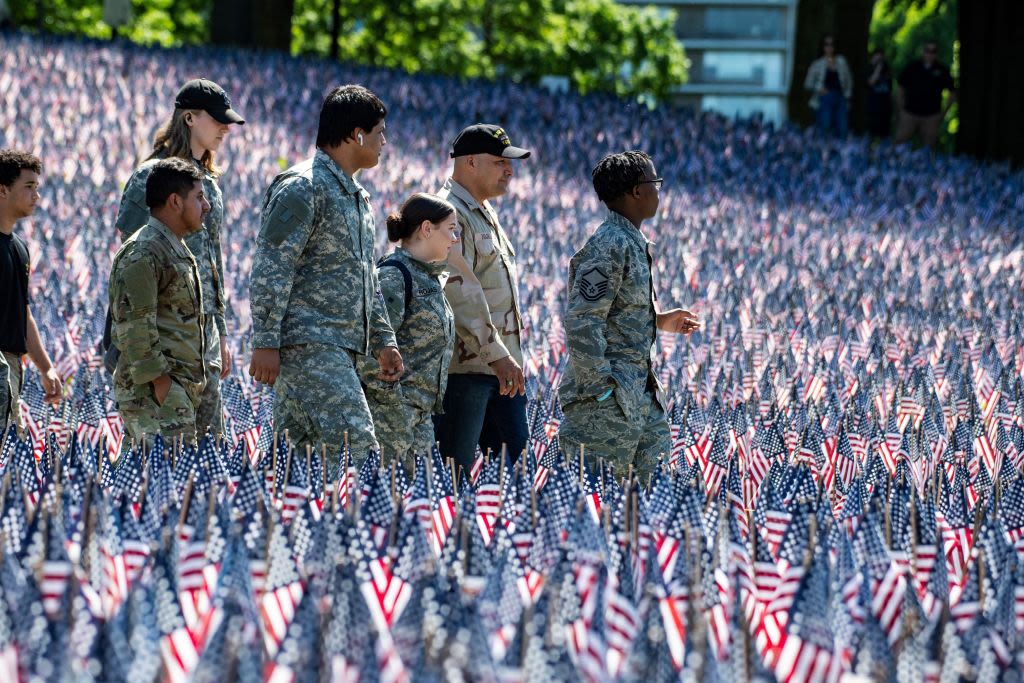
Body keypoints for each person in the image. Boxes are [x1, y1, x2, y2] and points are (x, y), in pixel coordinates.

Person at [248, 84, 402, 466]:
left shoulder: (355, 196)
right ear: (357, 134)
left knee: (292, 463)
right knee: (359, 453)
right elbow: (272, 265)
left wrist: (384, 339)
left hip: (341, 347)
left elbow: (367, 278)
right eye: (380, 132)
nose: (385, 141)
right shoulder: (304, 187)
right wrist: (266, 341)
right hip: (310, 346)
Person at [113, 78, 244, 439]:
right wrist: (150, 363)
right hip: (163, 339)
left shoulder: (209, 184)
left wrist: (219, 332)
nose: (225, 128)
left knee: (206, 451)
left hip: (201, 340)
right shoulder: (151, 178)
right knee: (161, 454)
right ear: (189, 118)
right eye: (217, 120)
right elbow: (133, 265)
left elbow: (213, 263)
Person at [558, 151, 699, 483]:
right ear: (637, 191)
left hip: (640, 395)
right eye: (655, 183)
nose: (659, 192)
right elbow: (582, 320)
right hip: (606, 405)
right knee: (596, 503)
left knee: (654, 501)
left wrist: (661, 320)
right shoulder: (608, 245)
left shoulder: (631, 242)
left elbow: (617, 313)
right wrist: (600, 390)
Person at [432, 124, 531, 476]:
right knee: (452, 478)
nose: (509, 170)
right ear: (470, 162)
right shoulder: (448, 213)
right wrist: (498, 355)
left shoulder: (483, 211)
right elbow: (460, 293)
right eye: (500, 162)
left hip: (499, 369)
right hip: (467, 371)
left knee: (514, 479)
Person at [108, 158, 210, 447]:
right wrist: (165, 388)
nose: (207, 206)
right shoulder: (144, 251)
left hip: (172, 393)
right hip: (153, 396)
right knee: (154, 481)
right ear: (175, 201)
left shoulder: (171, 245)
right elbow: (136, 329)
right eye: (199, 197)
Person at [360, 193, 458, 472]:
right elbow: (371, 347)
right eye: (451, 229)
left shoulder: (426, 276)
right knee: (390, 499)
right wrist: (394, 406)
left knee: (420, 504)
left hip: (419, 417)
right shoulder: (394, 275)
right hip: (391, 418)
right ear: (427, 229)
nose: (455, 238)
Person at [0, 150, 62, 441]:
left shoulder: (19, 247)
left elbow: (22, 313)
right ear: (3, 190)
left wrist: (46, 367)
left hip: (12, 367)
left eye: (37, 187)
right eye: (28, 187)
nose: (36, 195)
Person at [895, 40, 957, 149]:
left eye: (933, 51)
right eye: (928, 50)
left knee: (929, 147)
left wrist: (944, 112)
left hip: (931, 115)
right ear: (923, 51)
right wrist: (901, 109)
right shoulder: (913, 67)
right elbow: (900, 87)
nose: (930, 53)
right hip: (910, 113)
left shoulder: (942, 70)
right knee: (900, 143)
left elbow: (952, 92)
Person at [804, 35, 853, 139]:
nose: (829, 47)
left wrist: (847, 95)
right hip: (824, 98)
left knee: (842, 127)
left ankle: (841, 151)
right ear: (823, 47)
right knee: (825, 126)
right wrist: (819, 89)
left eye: (832, 44)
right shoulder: (817, 64)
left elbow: (849, 80)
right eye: (827, 44)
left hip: (840, 97)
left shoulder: (841, 61)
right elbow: (808, 83)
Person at [866, 49, 893, 139]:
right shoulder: (869, 69)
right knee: (871, 131)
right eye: (877, 58)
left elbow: (890, 88)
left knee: (885, 132)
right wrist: (877, 69)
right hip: (873, 107)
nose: (879, 61)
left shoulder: (887, 69)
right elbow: (870, 82)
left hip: (885, 107)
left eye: (881, 58)